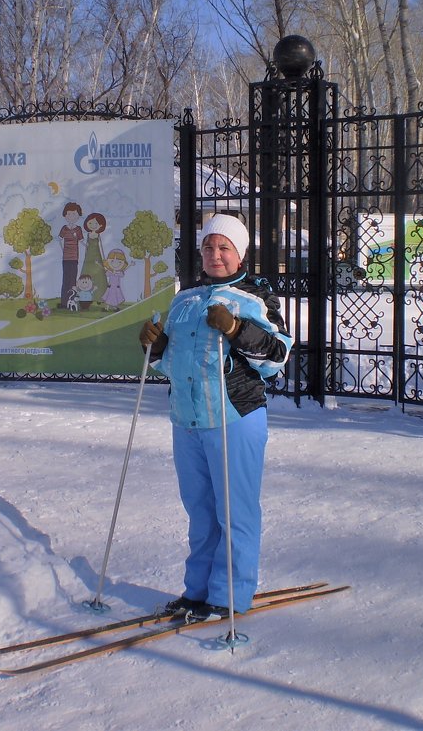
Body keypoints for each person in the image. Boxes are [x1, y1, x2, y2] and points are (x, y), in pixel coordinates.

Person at [139, 213, 292, 620]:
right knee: (201, 513)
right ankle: (197, 591)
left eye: (224, 247)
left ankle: (229, 596)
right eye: (209, 247)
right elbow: (172, 365)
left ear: (239, 254)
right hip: (187, 421)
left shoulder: (257, 300)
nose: (215, 254)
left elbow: (277, 359)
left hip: (234, 418)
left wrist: (238, 328)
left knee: (235, 512)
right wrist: (155, 348)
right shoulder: (183, 301)